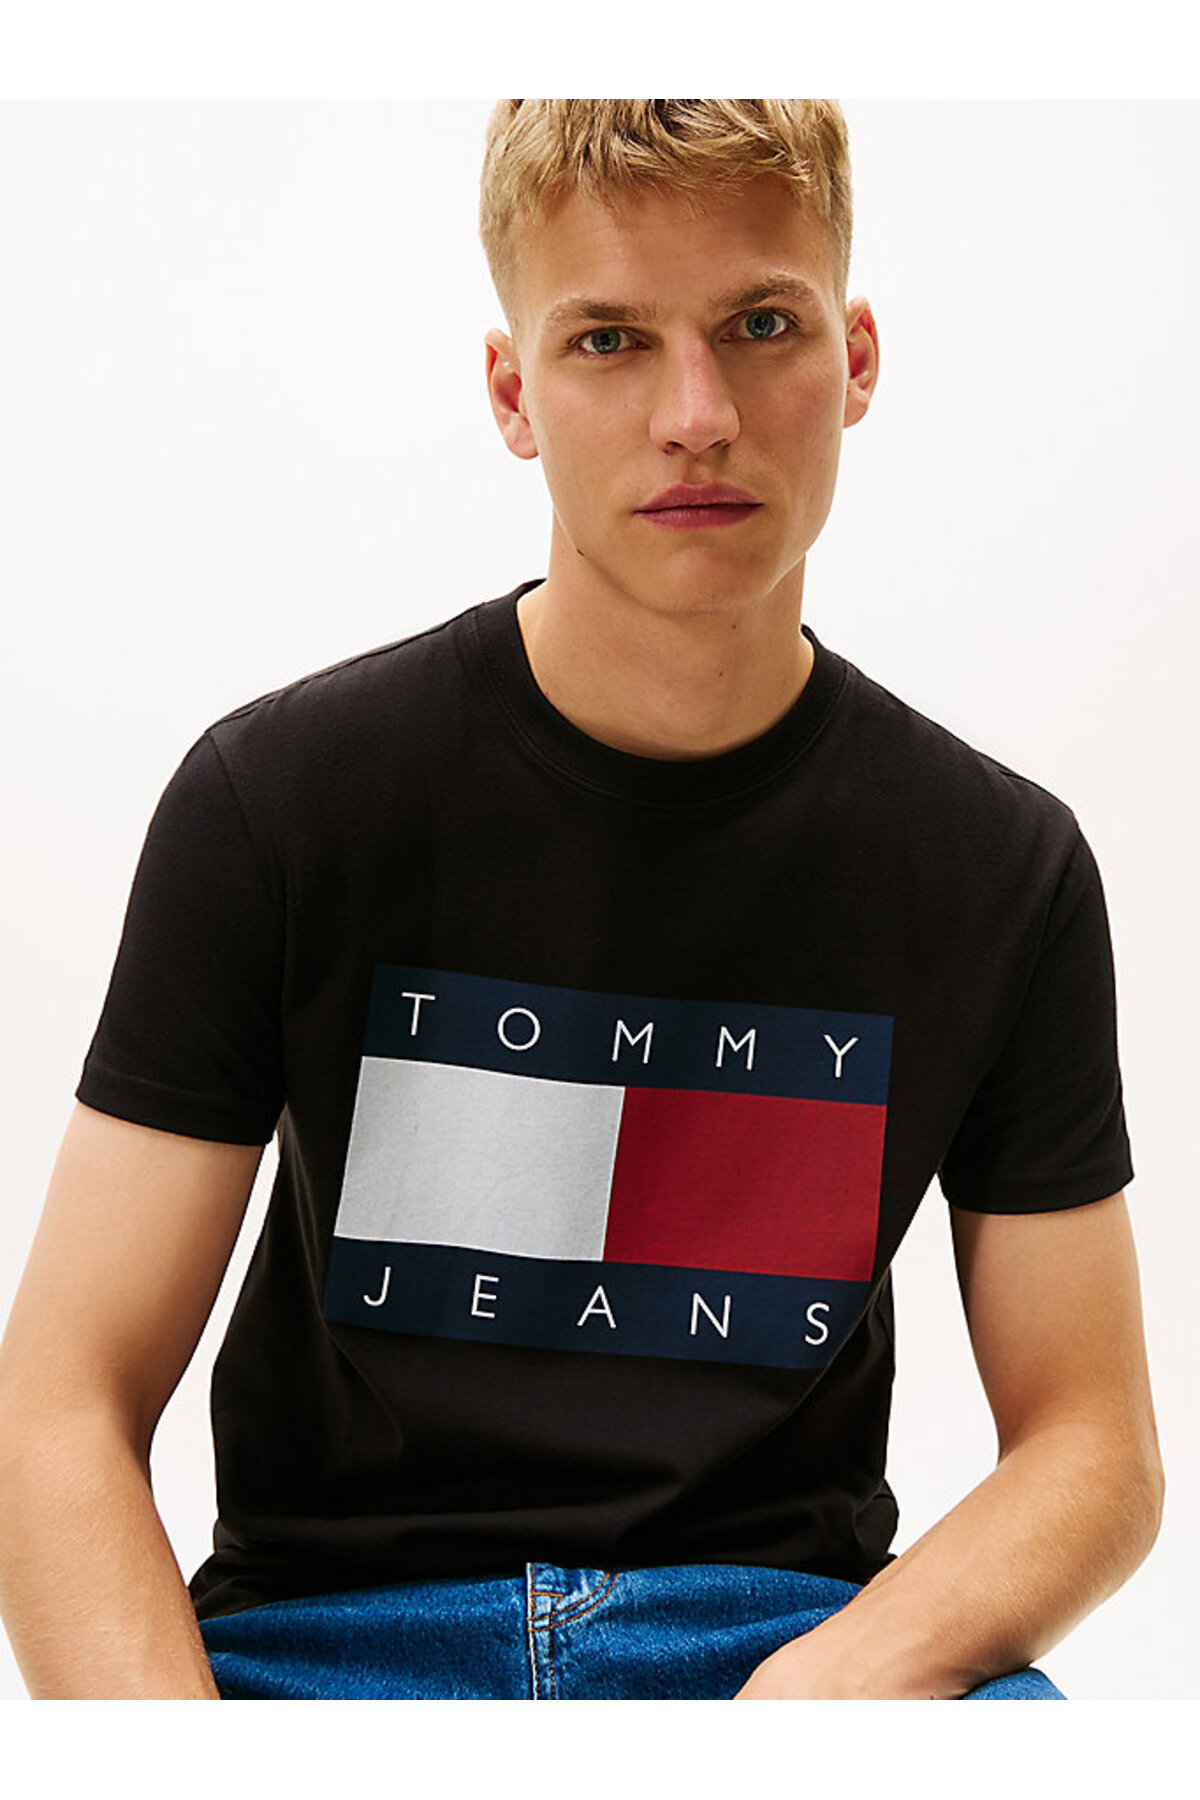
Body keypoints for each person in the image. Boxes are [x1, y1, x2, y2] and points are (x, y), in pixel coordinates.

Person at [0, 99, 1163, 1701]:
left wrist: (826, 1696)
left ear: (857, 358)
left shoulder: (998, 867)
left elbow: (1094, 1445)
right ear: (513, 393)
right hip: (325, 1647)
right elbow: (59, 1400)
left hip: (787, 1633)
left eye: (761, 326)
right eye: (610, 340)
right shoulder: (278, 803)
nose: (697, 416)